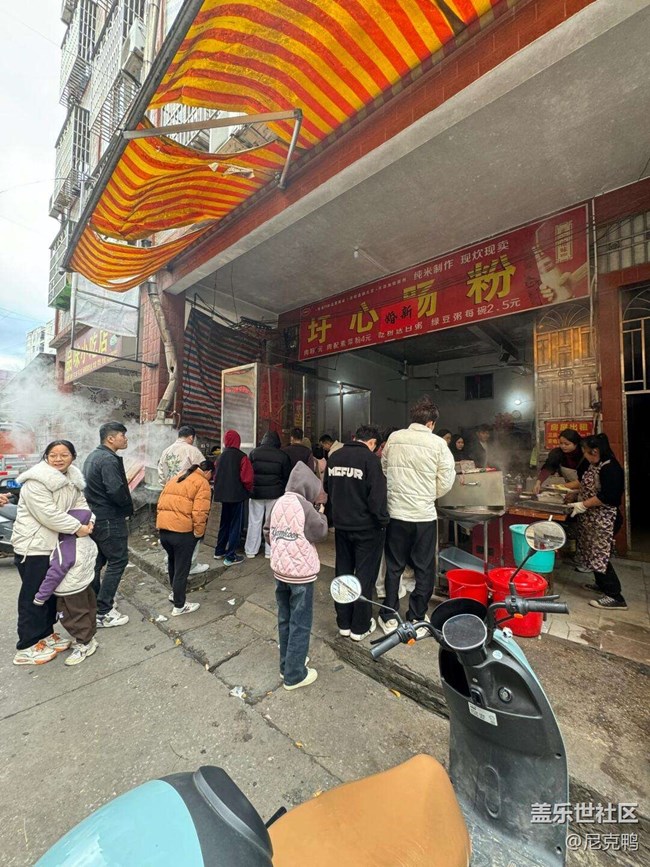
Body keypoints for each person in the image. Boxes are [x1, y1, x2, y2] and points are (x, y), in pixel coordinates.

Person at [11, 440, 93, 665]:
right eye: (53, 455)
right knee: (34, 595)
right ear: (46, 457)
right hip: (33, 546)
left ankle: (45, 635)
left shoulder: (72, 479)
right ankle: (27, 645)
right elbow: (48, 514)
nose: (58, 459)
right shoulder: (36, 481)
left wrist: (90, 521)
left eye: (64, 454)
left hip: (55, 544)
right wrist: (77, 528)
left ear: (73, 456)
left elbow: (81, 506)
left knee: (50, 594)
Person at [380, 397, 456, 634]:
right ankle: (416, 617)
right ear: (431, 423)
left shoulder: (394, 438)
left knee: (394, 566)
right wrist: (427, 495)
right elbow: (446, 480)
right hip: (423, 516)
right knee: (424, 568)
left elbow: (385, 468)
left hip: (396, 513)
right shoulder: (438, 444)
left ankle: (389, 616)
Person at [325, 424, 389, 641]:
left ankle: (343, 623)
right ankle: (360, 627)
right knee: (364, 576)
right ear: (372, 443)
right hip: (367, 529)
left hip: (342, 527)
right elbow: (377, 498)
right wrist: (383, 521)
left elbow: (327, 488)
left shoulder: (335, 457)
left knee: (343, 573)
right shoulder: (371, 460)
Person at [267, 462, 328, 690]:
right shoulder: (305, 506)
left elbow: (267, 532)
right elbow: (320, 532)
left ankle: (287, 664)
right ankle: (294, 675)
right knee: (300, 623)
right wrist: (321, 514)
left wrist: (283, 547)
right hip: (301, 575)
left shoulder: (278, 502)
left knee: (285, 618)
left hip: (280, 570)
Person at [566, 434, 626, 610]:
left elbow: (608, 496)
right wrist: (575, 495)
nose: (584, 455)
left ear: (595, 451)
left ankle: (615, 596)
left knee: (600, 554)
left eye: (585, 452)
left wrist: (583, 505)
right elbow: (588, 486)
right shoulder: (596, 465)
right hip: (592, 518)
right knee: (592, 552)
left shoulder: (611, 468)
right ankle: (601, 585)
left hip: (604, 519)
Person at [33, 506, 99, 666]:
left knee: (73, 619)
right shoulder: (89, 541)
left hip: (69, 591)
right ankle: (90, 638)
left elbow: (54, 574)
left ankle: (84, 644)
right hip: (85, 585)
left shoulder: (66, 548)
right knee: (89, 612)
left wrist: (41, 596)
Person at [84, 422, 133, 628]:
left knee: (98, 561)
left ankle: (94, 603)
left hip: (96, 516)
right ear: (111, 438)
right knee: (118, 561)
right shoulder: (108, 459)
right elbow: (115, 490)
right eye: (123, 435)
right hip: (109, 518)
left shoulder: (93, 456)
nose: (126, 439)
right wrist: (125, 506)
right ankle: (104, 610)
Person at [157, 460, 214, 616]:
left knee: (173, 562)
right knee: (182, 569)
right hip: (182, 533)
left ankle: (174, 594)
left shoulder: (176, 477)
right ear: (208, 472)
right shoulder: (202, 483)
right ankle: (179, 606)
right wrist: (198, 533)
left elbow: (160, 503)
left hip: (164, 531)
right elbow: (200, 513)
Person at [157, 425, 209, 577]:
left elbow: (161, 475)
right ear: (191, 437)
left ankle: (168, 563)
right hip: (188, 498)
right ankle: (191, 564)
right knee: (191, 530)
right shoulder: (193, 451)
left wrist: (168, 488)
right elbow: (204, 472)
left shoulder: (166, 451)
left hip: (168, 495)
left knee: (169, 527)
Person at [245, 431, 291, 560]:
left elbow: (248, 473)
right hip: (275, 494)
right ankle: (269, 551)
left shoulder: (254, 453)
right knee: (272, 523)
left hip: (256, 493)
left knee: (254, 521)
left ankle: (251, 550)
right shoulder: (282, 455)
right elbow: (286, 476)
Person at [213, 429, 254, 566]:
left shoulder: (220, 457)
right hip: (237, 495)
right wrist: (248, 490)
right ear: (238, 441)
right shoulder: (242, 457)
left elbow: (216, 477)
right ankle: (230, 556)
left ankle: (219, 551)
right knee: (235, 525)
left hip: (223, 495)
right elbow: (247, 478)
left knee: (224, 523)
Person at [533, 428, 585, 493]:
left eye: (566, 444)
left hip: (586, 489)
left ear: (576, 444)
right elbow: (548, 467)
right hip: (570, 490)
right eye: (561, 443)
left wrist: (560, 486)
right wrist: (538, 482)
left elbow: (584, 480)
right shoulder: (557, 453)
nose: (563, 446)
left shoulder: (584, 455)